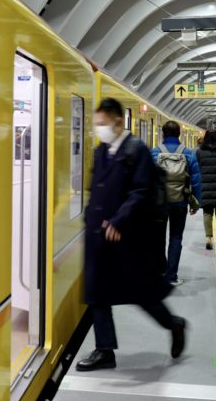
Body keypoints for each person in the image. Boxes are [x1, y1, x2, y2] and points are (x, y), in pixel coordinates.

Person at [77, 98, 187, 371]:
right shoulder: (103, 150)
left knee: (142, 293)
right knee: (96, 294)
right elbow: (97, 188)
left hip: (128, 238)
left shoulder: (135, 150)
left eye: (102, 123)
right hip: (101, 235)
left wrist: (118, 220)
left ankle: (174, 324)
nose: (99, 128)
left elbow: (141, 192)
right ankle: (105, 350)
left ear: (116, 120)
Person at [151, 121, 202, 286]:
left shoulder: (154, 153)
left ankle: (160, 272)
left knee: (158, 238)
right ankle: (172, 276)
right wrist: (196, 203)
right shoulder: (188, 154)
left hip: (159, 204)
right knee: (176, 237)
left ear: (163, 134)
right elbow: (196, 181)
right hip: (180, 202)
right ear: (179, 134)